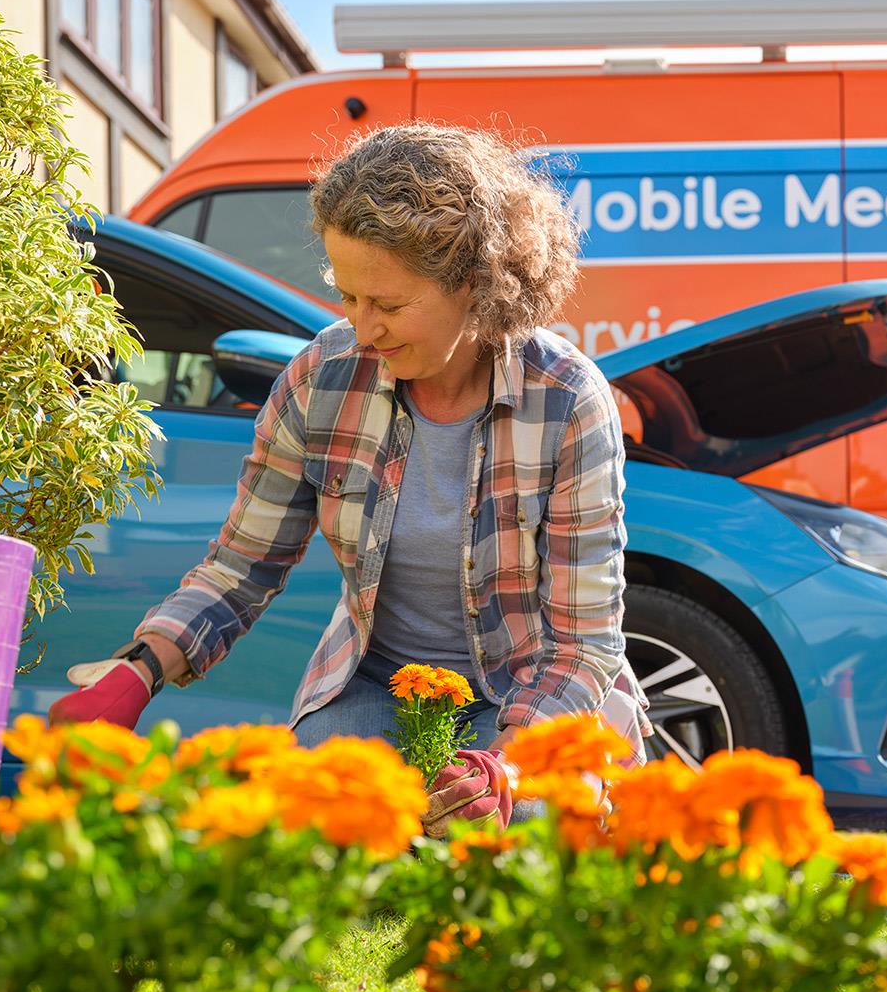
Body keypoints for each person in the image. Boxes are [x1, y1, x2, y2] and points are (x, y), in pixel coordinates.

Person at [49, 124, 646, 835]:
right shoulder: (322, 379)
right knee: (323, 834)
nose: (362, 330)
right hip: (373, 686)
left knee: (528, 837)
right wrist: (138, 670)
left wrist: (506, 770)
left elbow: (584, 646)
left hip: (534, 694)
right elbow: (240, 567)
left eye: (388, 306)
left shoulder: (568, 399)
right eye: (348, 296)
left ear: (477, 286)